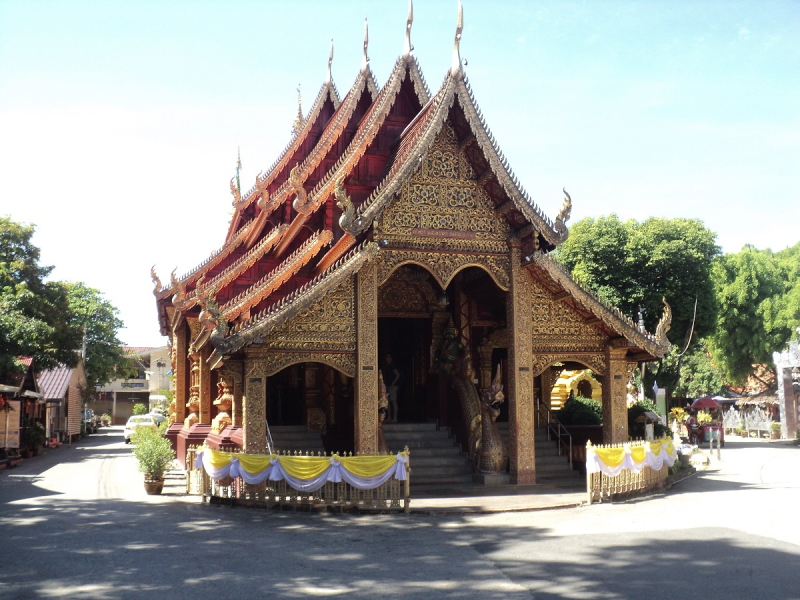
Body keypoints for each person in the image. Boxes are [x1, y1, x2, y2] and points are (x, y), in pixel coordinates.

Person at [382, 353, 401, 423]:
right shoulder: (387, 366)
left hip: (392, 386)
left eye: (388, 357)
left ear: (391, 358)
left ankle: (395, 418)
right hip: (387, 386)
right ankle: (389, 417)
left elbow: (398, 375)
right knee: (388, 402)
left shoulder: (393, 366)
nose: (387, 359)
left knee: (393, 401)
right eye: (386, 357)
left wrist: (393, 383)